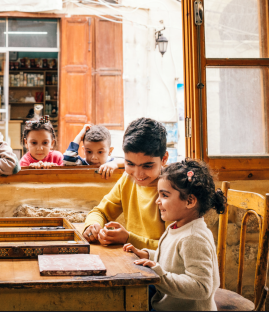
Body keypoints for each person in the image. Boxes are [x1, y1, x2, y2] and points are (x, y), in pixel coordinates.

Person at [123, 159, 226, 311]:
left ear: (190, 201)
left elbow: (201, 287)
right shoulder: (179, 227)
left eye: (164, 195)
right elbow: (173, 262)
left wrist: (161, 276)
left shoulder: (193, 237)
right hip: (167, 300)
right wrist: (147, 255)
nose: (157, 201)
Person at [82, 118, 168, 249]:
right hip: (132, 260)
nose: (138, 174)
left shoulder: (174, 189)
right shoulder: (127, 179)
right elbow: (100, 212)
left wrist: (128, 239)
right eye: (130, 164)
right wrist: (93, 226)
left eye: (147, 166)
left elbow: (173, 248)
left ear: (164, 159)